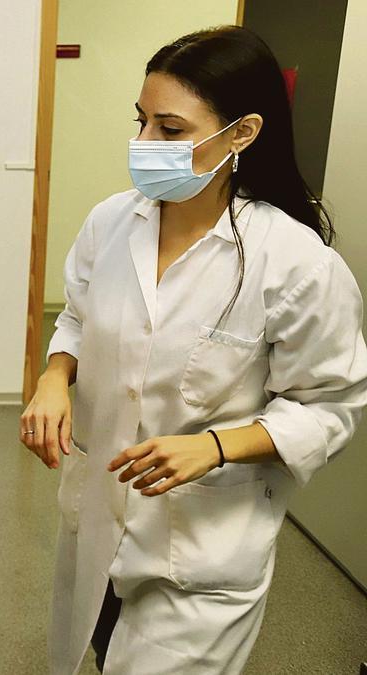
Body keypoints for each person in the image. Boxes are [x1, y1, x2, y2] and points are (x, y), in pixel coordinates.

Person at [22, 26, 367, 674]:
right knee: (99, 648)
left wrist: (214, 445)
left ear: (242, 133)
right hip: (99, 515)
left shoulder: (294, 264)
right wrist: (53, 377)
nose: (144, 144)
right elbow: (76, 316)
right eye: (141, 120)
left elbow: (332, 406)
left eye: (171, 129)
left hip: (202, 546)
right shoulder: (110, 222)